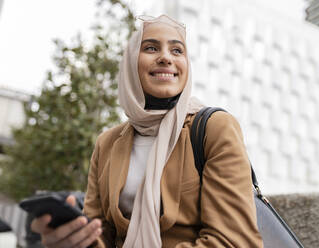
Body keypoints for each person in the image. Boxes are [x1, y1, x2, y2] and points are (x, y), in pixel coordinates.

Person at [31, 15, 263, 248]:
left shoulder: (214, 128)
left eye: (177, 50)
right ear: (131, 63)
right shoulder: (107, 143)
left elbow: (234, 240)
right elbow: (102, 234)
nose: (165, 57)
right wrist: (74, 239)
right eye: (151, 48)